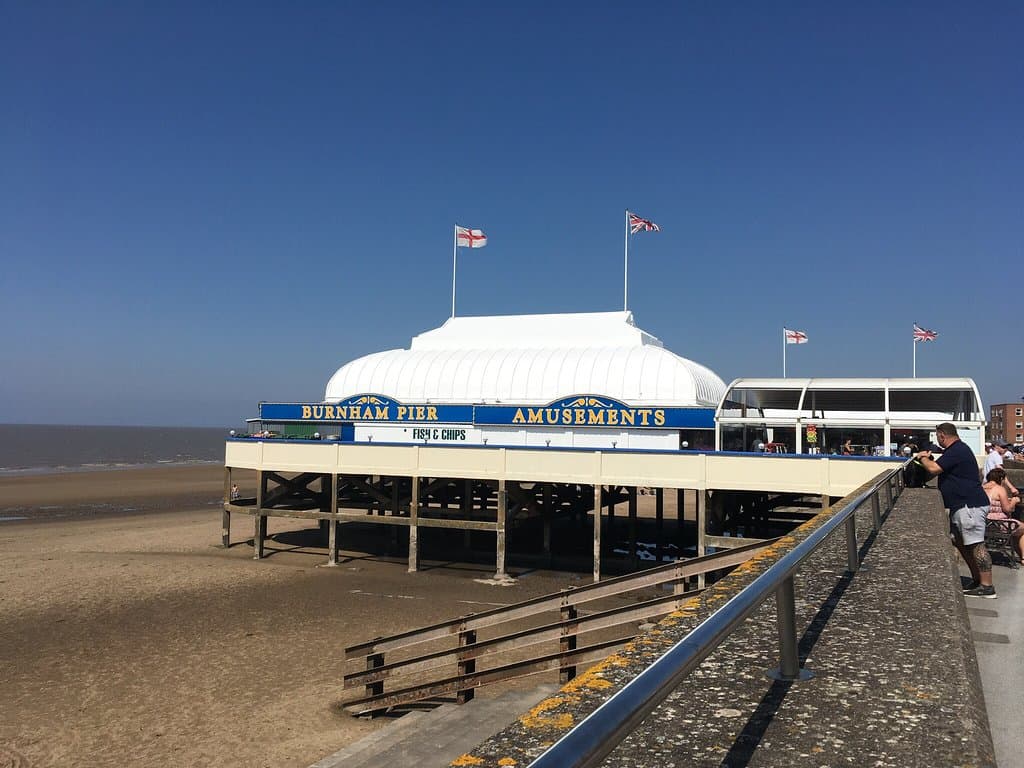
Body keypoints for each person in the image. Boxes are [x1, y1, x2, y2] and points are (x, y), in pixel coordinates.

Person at [916, 422, 997, 598]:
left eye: (938, 437)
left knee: (976, 544)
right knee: (960, 541)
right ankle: (978, 579)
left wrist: (922, 457)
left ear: (942, 435)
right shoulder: (956, 451)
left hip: (970, 505)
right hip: (962, 505)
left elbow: (933, 469)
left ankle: (987, 586)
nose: (938, 440)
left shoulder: (957, 451)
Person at [983, 468, 1023, 564]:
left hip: (985, 523)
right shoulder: (1000, 489)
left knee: (1015, 529)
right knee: (1022, 527)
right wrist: (1014, 501)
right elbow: (1007, 509)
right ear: (1000, 479)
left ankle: (1020, 555)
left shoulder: (982, 487)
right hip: (1000, 524)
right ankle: (1023, 558)